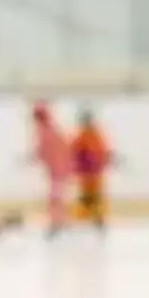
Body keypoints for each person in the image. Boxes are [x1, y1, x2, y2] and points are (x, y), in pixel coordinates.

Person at [29, 98, 79, 234]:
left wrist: (34, 158)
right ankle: (60, 221)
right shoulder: (49, 130)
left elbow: (44, 151)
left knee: (55, 198)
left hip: (59, 170)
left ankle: (58, 222)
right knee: (57, 197)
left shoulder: (46, 131)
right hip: (58, 170)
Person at [71, 107, 117, 233]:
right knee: (88, 196)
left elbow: (104, 152)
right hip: (87, 173)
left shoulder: (96, 135)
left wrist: (107, 160)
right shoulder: (84, 136)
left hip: (94, 173)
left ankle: (96, 219)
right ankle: (88, 219)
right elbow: (74, 151)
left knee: (93, 196)